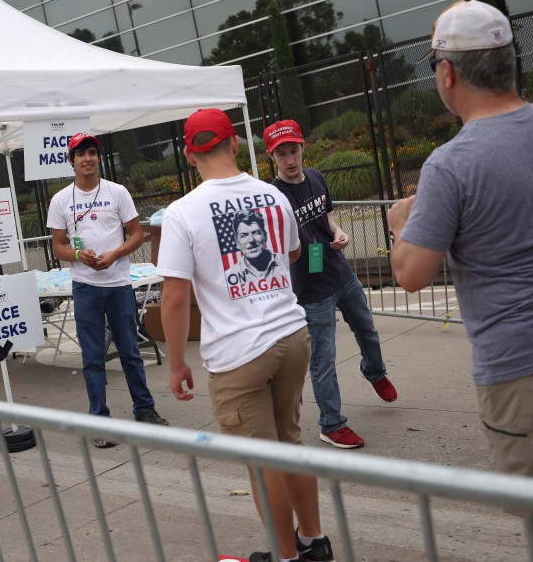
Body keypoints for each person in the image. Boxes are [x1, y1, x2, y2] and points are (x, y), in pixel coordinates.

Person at [386, 0, 533, 562]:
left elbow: (412, 274)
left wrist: (400, 226)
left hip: (523, 366)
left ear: (447, 72)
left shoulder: (450, 163)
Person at [158, 108, 332, 562]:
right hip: (290, 333)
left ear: (189, 154)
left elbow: (174, 299)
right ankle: (314, 542)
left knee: (262, 460)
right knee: (290, 442)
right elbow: (293, 252)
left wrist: (177, 363)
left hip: (238, 351)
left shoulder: (182, 213)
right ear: (235, 144)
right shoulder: (272, 197)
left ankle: (285, 556)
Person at [267, 119, 397, 449]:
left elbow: (326, 215)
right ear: (273, 158)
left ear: (302, 149)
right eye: (282, 154)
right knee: (323, 358)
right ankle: (331, 423)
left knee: (367, 327)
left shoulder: (316, 177)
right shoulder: (272, 197)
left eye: (294, 151)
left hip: (341, 273)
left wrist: (339, 232)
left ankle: (375, 371)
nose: (290, 160)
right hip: (310, 291)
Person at [46, 132, 169, 448]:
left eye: (92, 152)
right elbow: (58, 247)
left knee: (130, 351)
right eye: (80, 153)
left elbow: (137, 234)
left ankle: (145, 409)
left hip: (117, 285)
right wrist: (78, 255)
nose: (87, 158)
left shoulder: (117, 192)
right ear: (70, 160)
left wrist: (114, 253)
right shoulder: (61, 200)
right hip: (85, 287)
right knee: (93, 357)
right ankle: (99, 419)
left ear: (98, 157)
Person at [228, 210, 280, 279]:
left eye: (255, 232)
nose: (251, 240)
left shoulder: (284, 261)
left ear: (265, 236)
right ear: (237, 242)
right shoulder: (230, 275)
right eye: (244, 235)